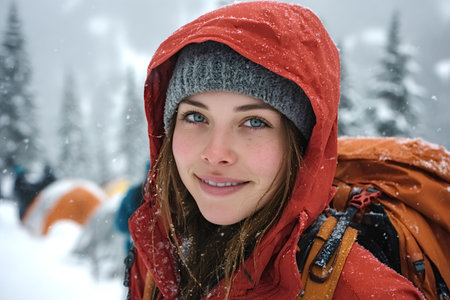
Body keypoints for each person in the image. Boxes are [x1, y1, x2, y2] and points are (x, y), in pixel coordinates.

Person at [127, 2, 423, 299]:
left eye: (254, 122)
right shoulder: (158, 256)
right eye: (195, 117)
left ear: (301, 146)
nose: (216, 153)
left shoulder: (365, 293)